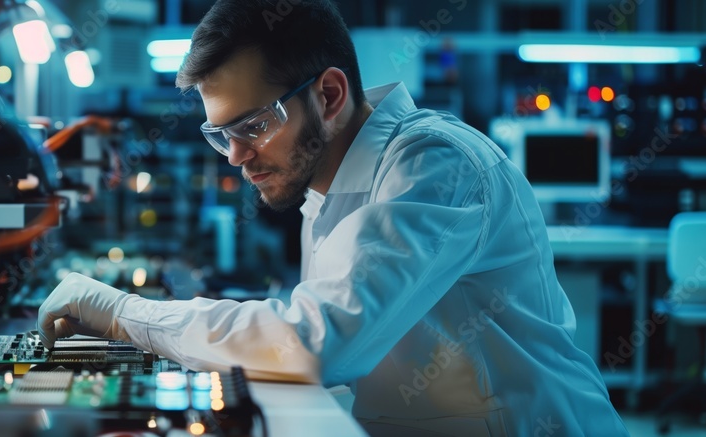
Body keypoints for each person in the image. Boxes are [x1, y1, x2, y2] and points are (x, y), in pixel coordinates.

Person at [37, 0, 629, 435]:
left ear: (328, 95)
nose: (237, 156)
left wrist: (121, 312)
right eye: (222, 135)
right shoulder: (325, 187)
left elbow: (316, 344)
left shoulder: (435, 165)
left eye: (252, 126)